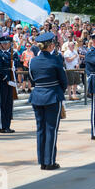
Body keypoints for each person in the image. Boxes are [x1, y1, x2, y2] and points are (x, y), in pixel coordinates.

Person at [28, 32, 67, 170]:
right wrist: (59, 91)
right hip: (52, 96)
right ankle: (49, 161)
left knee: (41, 129)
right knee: (51, 130)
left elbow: (32, 79)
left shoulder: (33, 61)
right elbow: (63, 81)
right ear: (50, 45)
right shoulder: (55, 60)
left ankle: (42, 162)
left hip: (37, 96)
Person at [0, 36, 19, 133]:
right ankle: (2, 126)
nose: (6, 45)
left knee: (9, 104)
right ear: (1, 44)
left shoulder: (13, 53)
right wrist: (5, 78)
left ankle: (8, 125)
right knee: (3, 103)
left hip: (11, 80)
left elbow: (18, 64)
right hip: (3, 81)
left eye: (7, 43)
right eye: (4, 43)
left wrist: (14, 66)